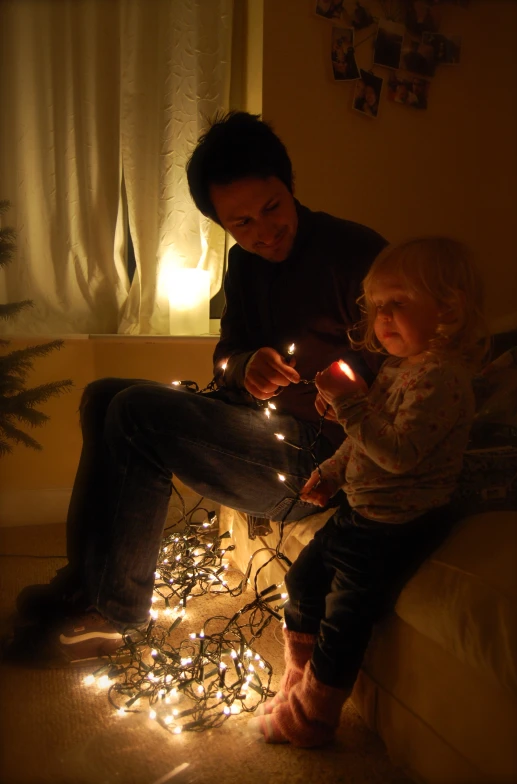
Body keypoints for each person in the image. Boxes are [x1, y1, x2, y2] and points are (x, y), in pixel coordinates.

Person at [3, 111, 387, 667]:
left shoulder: (356, 254)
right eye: (242, 224)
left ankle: (114, 613)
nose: (263, 232)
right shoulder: (243, 265)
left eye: (272, 208)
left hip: (319, 457)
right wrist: (245, 364)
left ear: (291, 185)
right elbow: (225, 354)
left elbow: (403, 361)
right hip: (254, 422)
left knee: (137, 411)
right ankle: (83, 580)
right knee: (104, 394)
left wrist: (344, 386)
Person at [250, 236, 489, 747]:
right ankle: (299, 680)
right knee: (304, 579)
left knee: (345, 615)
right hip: (364, 511)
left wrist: (350, 405)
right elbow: (364, 441)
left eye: (398, 303)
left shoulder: (444, 378)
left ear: (446, 310)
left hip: (400, 523)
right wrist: (334, 471)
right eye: (377, 305)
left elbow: (400, 454)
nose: (382, 317)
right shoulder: (399, 368)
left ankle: (313, 716)